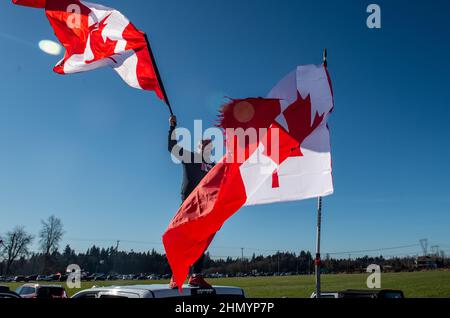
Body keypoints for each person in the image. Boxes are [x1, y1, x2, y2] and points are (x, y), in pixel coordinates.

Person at [167, 115, 215, 289]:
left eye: (209, 144)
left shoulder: (214, 166)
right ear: (198, 147)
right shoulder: (190, 156)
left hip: (205, 209)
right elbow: (173, 148)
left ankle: (196, 276)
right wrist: (172, 128)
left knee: (201, 241)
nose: (206, 146)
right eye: (203, 143)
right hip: (188, 205)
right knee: (183, 240)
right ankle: (176, 274)